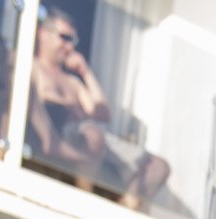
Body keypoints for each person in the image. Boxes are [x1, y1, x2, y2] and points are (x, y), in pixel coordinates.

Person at [26, 5, 168, 206]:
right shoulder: (31, 66)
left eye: (73, 41)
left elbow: (102, 113)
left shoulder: (73, 82)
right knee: (93, 134)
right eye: (65, 38)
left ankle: (124, 209)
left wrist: (84, 71)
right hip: (64, 133)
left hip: (94, 137)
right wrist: (69, 107)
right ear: (43, 34)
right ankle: (85, 201)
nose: (70, 47)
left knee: (158, 167)